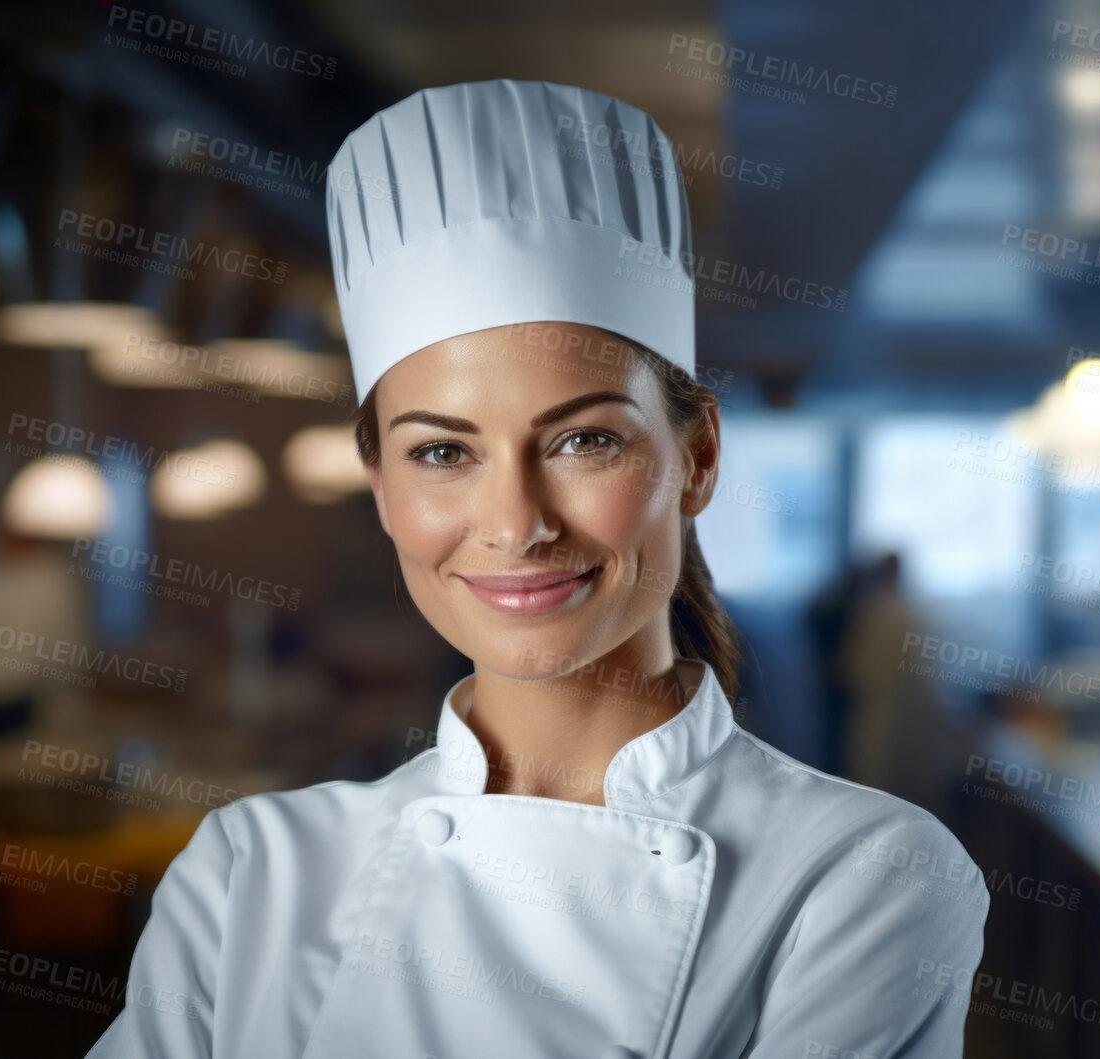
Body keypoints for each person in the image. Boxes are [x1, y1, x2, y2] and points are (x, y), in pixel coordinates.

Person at [87, 80, 987, 1059]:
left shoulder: (858, 873)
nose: (515, 525)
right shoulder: (250, 869)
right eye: (441, 452)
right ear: (381, 487)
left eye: (581, 442)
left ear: (695, 459)